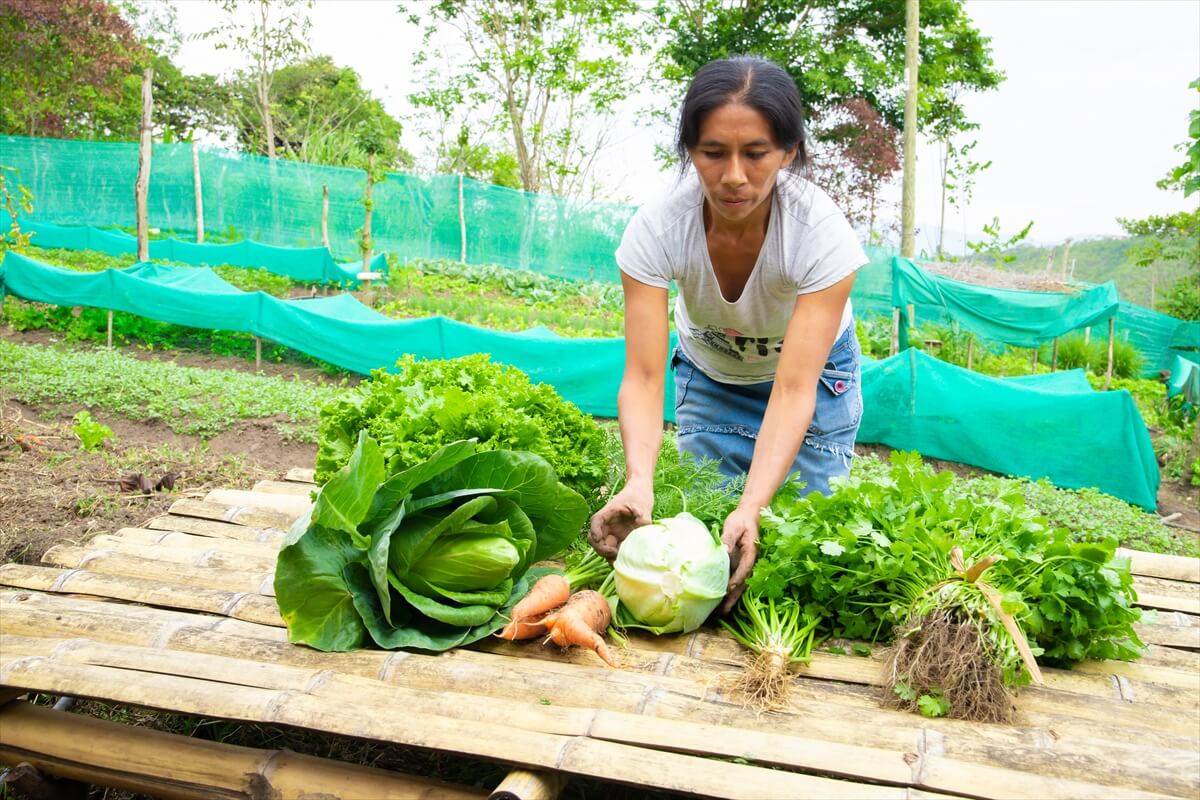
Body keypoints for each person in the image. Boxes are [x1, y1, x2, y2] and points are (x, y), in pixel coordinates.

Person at [587, 56, 868, 613]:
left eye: (756, 153)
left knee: (802, 542)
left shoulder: (820, 235)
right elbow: (643, 377)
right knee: (712, 538)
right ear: (690, 150)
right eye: (713, 152)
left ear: (788, 153)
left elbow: (793, 390)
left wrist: (755, 504)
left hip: (813, 381)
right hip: (712, 372)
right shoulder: (659, 227)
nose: (734, 175)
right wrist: (638, 480)